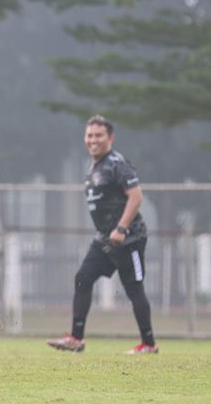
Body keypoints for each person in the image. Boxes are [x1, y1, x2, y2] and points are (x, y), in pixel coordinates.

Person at [47, 115, 158, 355]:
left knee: (134, 289)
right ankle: (76, 339)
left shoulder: (117, 163)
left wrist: (122, 228)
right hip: (105, 239)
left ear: (110, 138)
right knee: (82, 278)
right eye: (89, 135)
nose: (93, 140)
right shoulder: (95, 166)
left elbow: (136, 196)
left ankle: (149, 344)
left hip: (129, 239)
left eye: (98, 135)